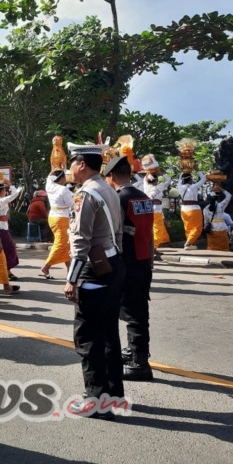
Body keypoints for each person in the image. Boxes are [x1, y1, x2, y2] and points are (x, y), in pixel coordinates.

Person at [63, 143, 125, 420]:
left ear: (81, 164)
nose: (69, 169)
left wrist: (71, 279)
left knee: (88, 336)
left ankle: (95, 399)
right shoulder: (109, 189)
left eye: (71, 163)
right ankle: (113, 395)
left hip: (93, 269)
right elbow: (118, 232)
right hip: (113, 264)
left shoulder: (85, 195)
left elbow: (80, 242)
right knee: (109, 332)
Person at [104, 157, 154, 381]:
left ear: (111, 176)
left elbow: (115, 233)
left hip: (127, 262)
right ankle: (135, 351)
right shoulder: (143, 197)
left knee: (132, 314)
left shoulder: (118, 198)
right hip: (143, 260)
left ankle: (139, 362)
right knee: (139, 310)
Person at [41, 170, 73, 279]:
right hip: (62, 218)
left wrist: (53, 170)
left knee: (66, 244)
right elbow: (71, 204)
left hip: (53, 217)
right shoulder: (64, 189)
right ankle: (46, 266)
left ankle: (70, 269)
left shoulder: (49, 187)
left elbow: (48, 178)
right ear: (62, 178)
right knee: (61, 244)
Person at [140, 156, 172, 251]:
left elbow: (145, 178)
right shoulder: (158, 187)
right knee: (158, 230)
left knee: (151, 229)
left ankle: (153, 248)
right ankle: (153, 247)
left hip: (147, 209)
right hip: (156, 210)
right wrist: (161, 173)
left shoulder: (146, 186)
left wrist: (148, 172)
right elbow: (168, 181)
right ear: (156, 180)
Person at [0, 180, 23, 280]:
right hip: (1, 228)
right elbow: (15, 194)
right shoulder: (1, 200)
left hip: (0, 227)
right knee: (9, 249)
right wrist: (11, 185)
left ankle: (7, 271)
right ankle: (5, 271)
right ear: (2, 191)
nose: (6, 192)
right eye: (5, 190)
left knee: (5, 249)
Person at [178, 172, 207, 250]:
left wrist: (183, 172)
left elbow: (179, 179)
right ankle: (189, 242)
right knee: (197, 228)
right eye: (192, 178)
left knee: (188, 228)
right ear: (190, 179)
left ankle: (192, 244)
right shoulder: (193, 187)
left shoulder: (179, 186)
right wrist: (197, 170)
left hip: (184, 209)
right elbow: (204, 179)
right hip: (194, 209)